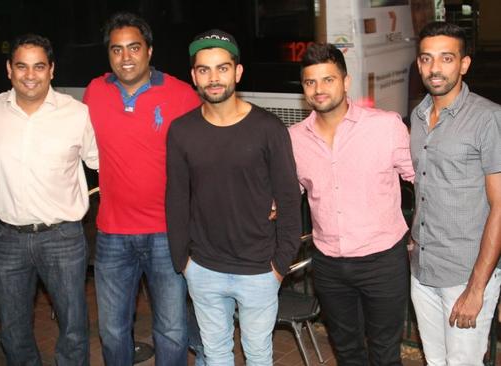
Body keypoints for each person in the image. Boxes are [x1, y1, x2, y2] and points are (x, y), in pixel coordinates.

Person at [166, 29, 301, 365]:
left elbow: (287, 198)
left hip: (259, 270)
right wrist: (182, 260)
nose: (213, 78)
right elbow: (177, 197)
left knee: (258, 355)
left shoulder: (269, 128)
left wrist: (280, 264)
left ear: (237, 72)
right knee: (215, 355)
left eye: (222, 68)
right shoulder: (181, 131)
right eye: (204, 69)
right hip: (203, 268)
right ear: (193, 76)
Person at [0, 34, 98, 365]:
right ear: (9, 69)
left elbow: (103, 165)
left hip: (64, 237)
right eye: (21, 66)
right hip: (7, 238)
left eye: (39, 66)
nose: (30, 75)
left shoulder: (77, 114)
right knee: (13, 330)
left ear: (51, 70)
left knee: (73, 328)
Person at [82, 12, 200, 366]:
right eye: (116, 50)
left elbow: (207, 152)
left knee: (172, 329)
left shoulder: (180, 94)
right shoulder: (94, 92)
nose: (125, 57)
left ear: (149, 50)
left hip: (168, 233)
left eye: (134, 47)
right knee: (114, 330)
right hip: (112, 234)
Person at [288, 43, 415, 365]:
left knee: (386, 353)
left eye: (328, 79)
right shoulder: (294, 138)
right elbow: (288, 196)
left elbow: (421, 180)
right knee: (347, 352)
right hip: (329, 264)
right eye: (310, 82)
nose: (319, 89)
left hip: (383, 262)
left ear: (345, 82)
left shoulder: (385, 126)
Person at [409, 21, 501, 365]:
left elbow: (500, 207)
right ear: (419, 64)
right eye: (427, 59)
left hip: (465, 275)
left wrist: (477, 288)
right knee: (435, 361)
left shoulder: (488, 118)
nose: (435, 68)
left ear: (463, 64)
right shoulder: (417, 117)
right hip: (423, 270)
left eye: (446, 58)